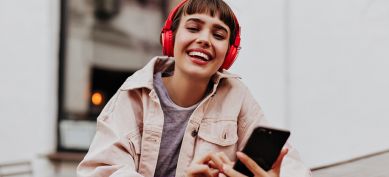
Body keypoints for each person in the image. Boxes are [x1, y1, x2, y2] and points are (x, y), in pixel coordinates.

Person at [77, 0, 312, 176]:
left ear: (228, 55)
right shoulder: (134, 96)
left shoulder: (237, 96)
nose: (205, 39)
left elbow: (294, 167)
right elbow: (103, 171)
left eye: (218, 34)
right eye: (193, 28)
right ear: (171, 38)